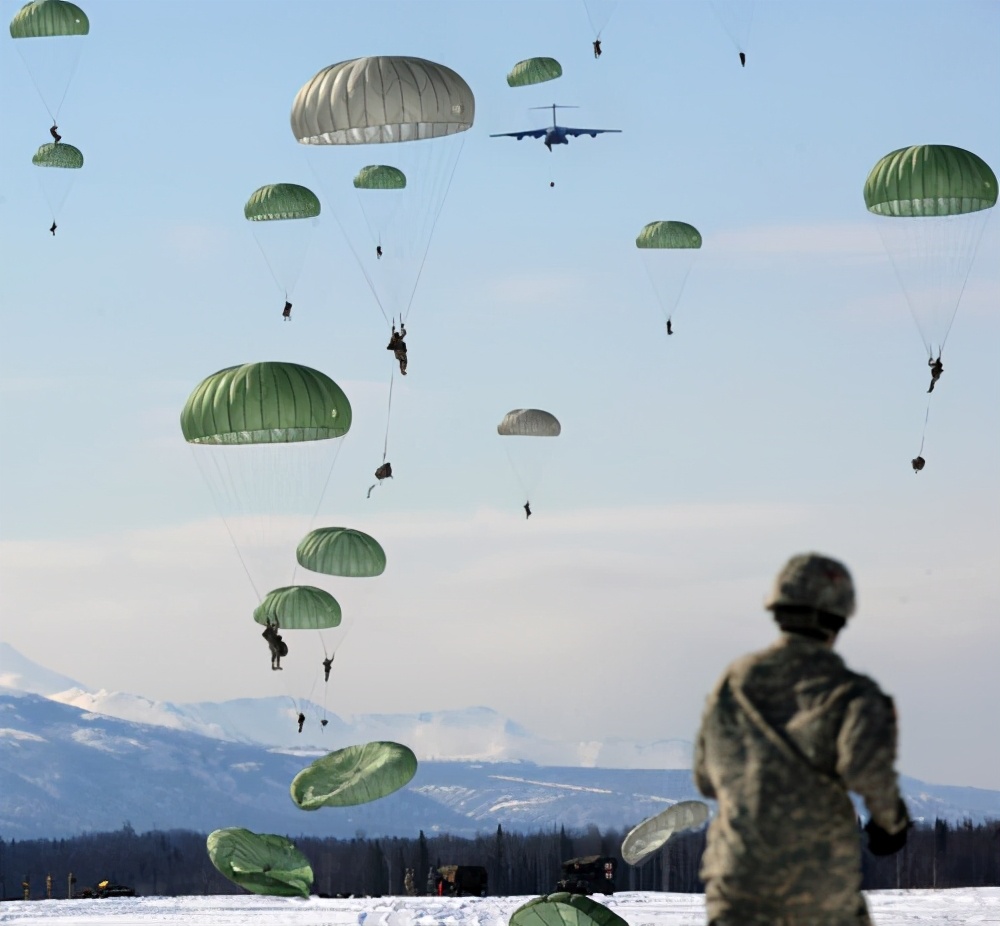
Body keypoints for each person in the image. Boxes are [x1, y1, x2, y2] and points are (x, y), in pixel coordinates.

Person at [694, 552, 910, 926]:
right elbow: (867, 770)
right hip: (818, 887)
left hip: (736, 881)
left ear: (778, 608)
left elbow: (705, 776)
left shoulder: (734, 681)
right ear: (840, 616)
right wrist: (890, 824)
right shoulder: (853, 693)